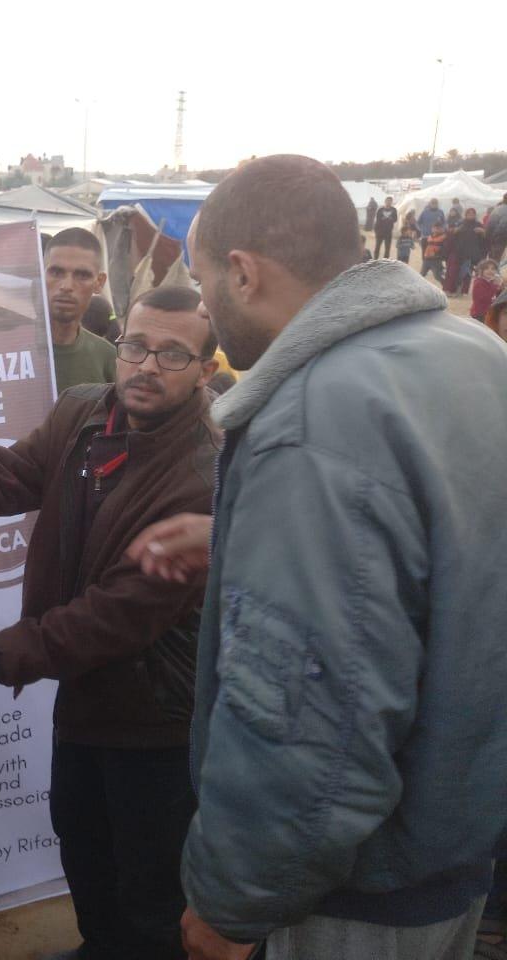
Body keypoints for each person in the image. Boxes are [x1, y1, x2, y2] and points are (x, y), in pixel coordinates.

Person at [139, 153, 507, 960]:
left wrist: (234, 901)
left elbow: (306, 724)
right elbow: (448, 551)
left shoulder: (313, 421)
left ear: (242, 273)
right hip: (461, 846)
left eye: (202, 285)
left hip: (358, 891)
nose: (204, 303)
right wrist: (249, 541)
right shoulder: (470, 351)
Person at [0, 284, 222, 960]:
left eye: (173, 355)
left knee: (151, 890)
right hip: (84, 700)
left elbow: (116, 617)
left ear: (207, 371)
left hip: (157, 719)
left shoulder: (206, 472)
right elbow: (11, 473)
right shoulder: (85, 414)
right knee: (83, 844)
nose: (148, 366)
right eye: (137, 346)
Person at [43, 228, 118, 390]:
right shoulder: (8, 354)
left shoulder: (108, 358)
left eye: (82, 275)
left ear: (99, 282)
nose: (66, 286)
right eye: (56, 272)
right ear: (40, 275)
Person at [448, 209, 488, 295]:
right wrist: (455, 231)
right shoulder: (460, 224)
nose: (471, 215)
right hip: (460, 252)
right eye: (469, 213)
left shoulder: (478, 225)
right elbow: (451, 234)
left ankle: (463, 291)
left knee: (467, 273)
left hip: (472, 253)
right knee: (458, 272)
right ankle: (457, 289)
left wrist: (483, 232)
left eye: (472, 213)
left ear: (475, 215)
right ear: (465, 215)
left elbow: (485, 239)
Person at [487, 194, 507, 262]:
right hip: (499, 241)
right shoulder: (505, 210)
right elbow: (503, 227)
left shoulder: (497, 208)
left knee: (492, 261)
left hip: (492, 239)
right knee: (497, 262)